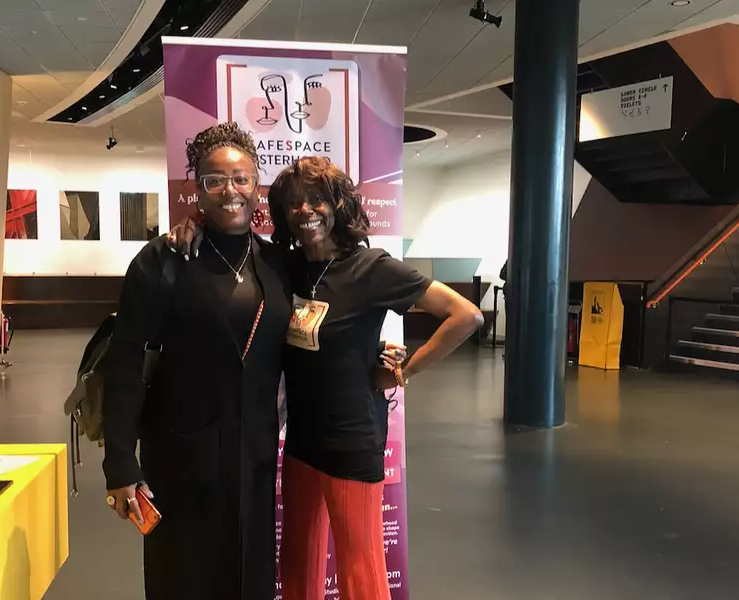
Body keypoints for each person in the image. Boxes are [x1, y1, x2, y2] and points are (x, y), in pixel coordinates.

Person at [269, 157, 483, 600]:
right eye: (293, 203)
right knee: (296, 567)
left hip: (351, 441)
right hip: (301, 442)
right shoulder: (288, 268)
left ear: (337, 204)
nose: (305, 210)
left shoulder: (371, 268)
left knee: (361, 574)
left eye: (316, 199)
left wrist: (406, 371)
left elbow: (466, 315)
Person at [101, 122, 293, 600]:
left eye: (241, 178)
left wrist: (376, 358)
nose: (231, 190)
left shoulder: (278, 265)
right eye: (215, 180)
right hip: (179, 459)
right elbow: (125, 363)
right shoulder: (162, 263)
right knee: (182, 578)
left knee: (250, 578)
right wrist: (120, 463)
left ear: (257, 185)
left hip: (254, 458)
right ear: (197, 189)